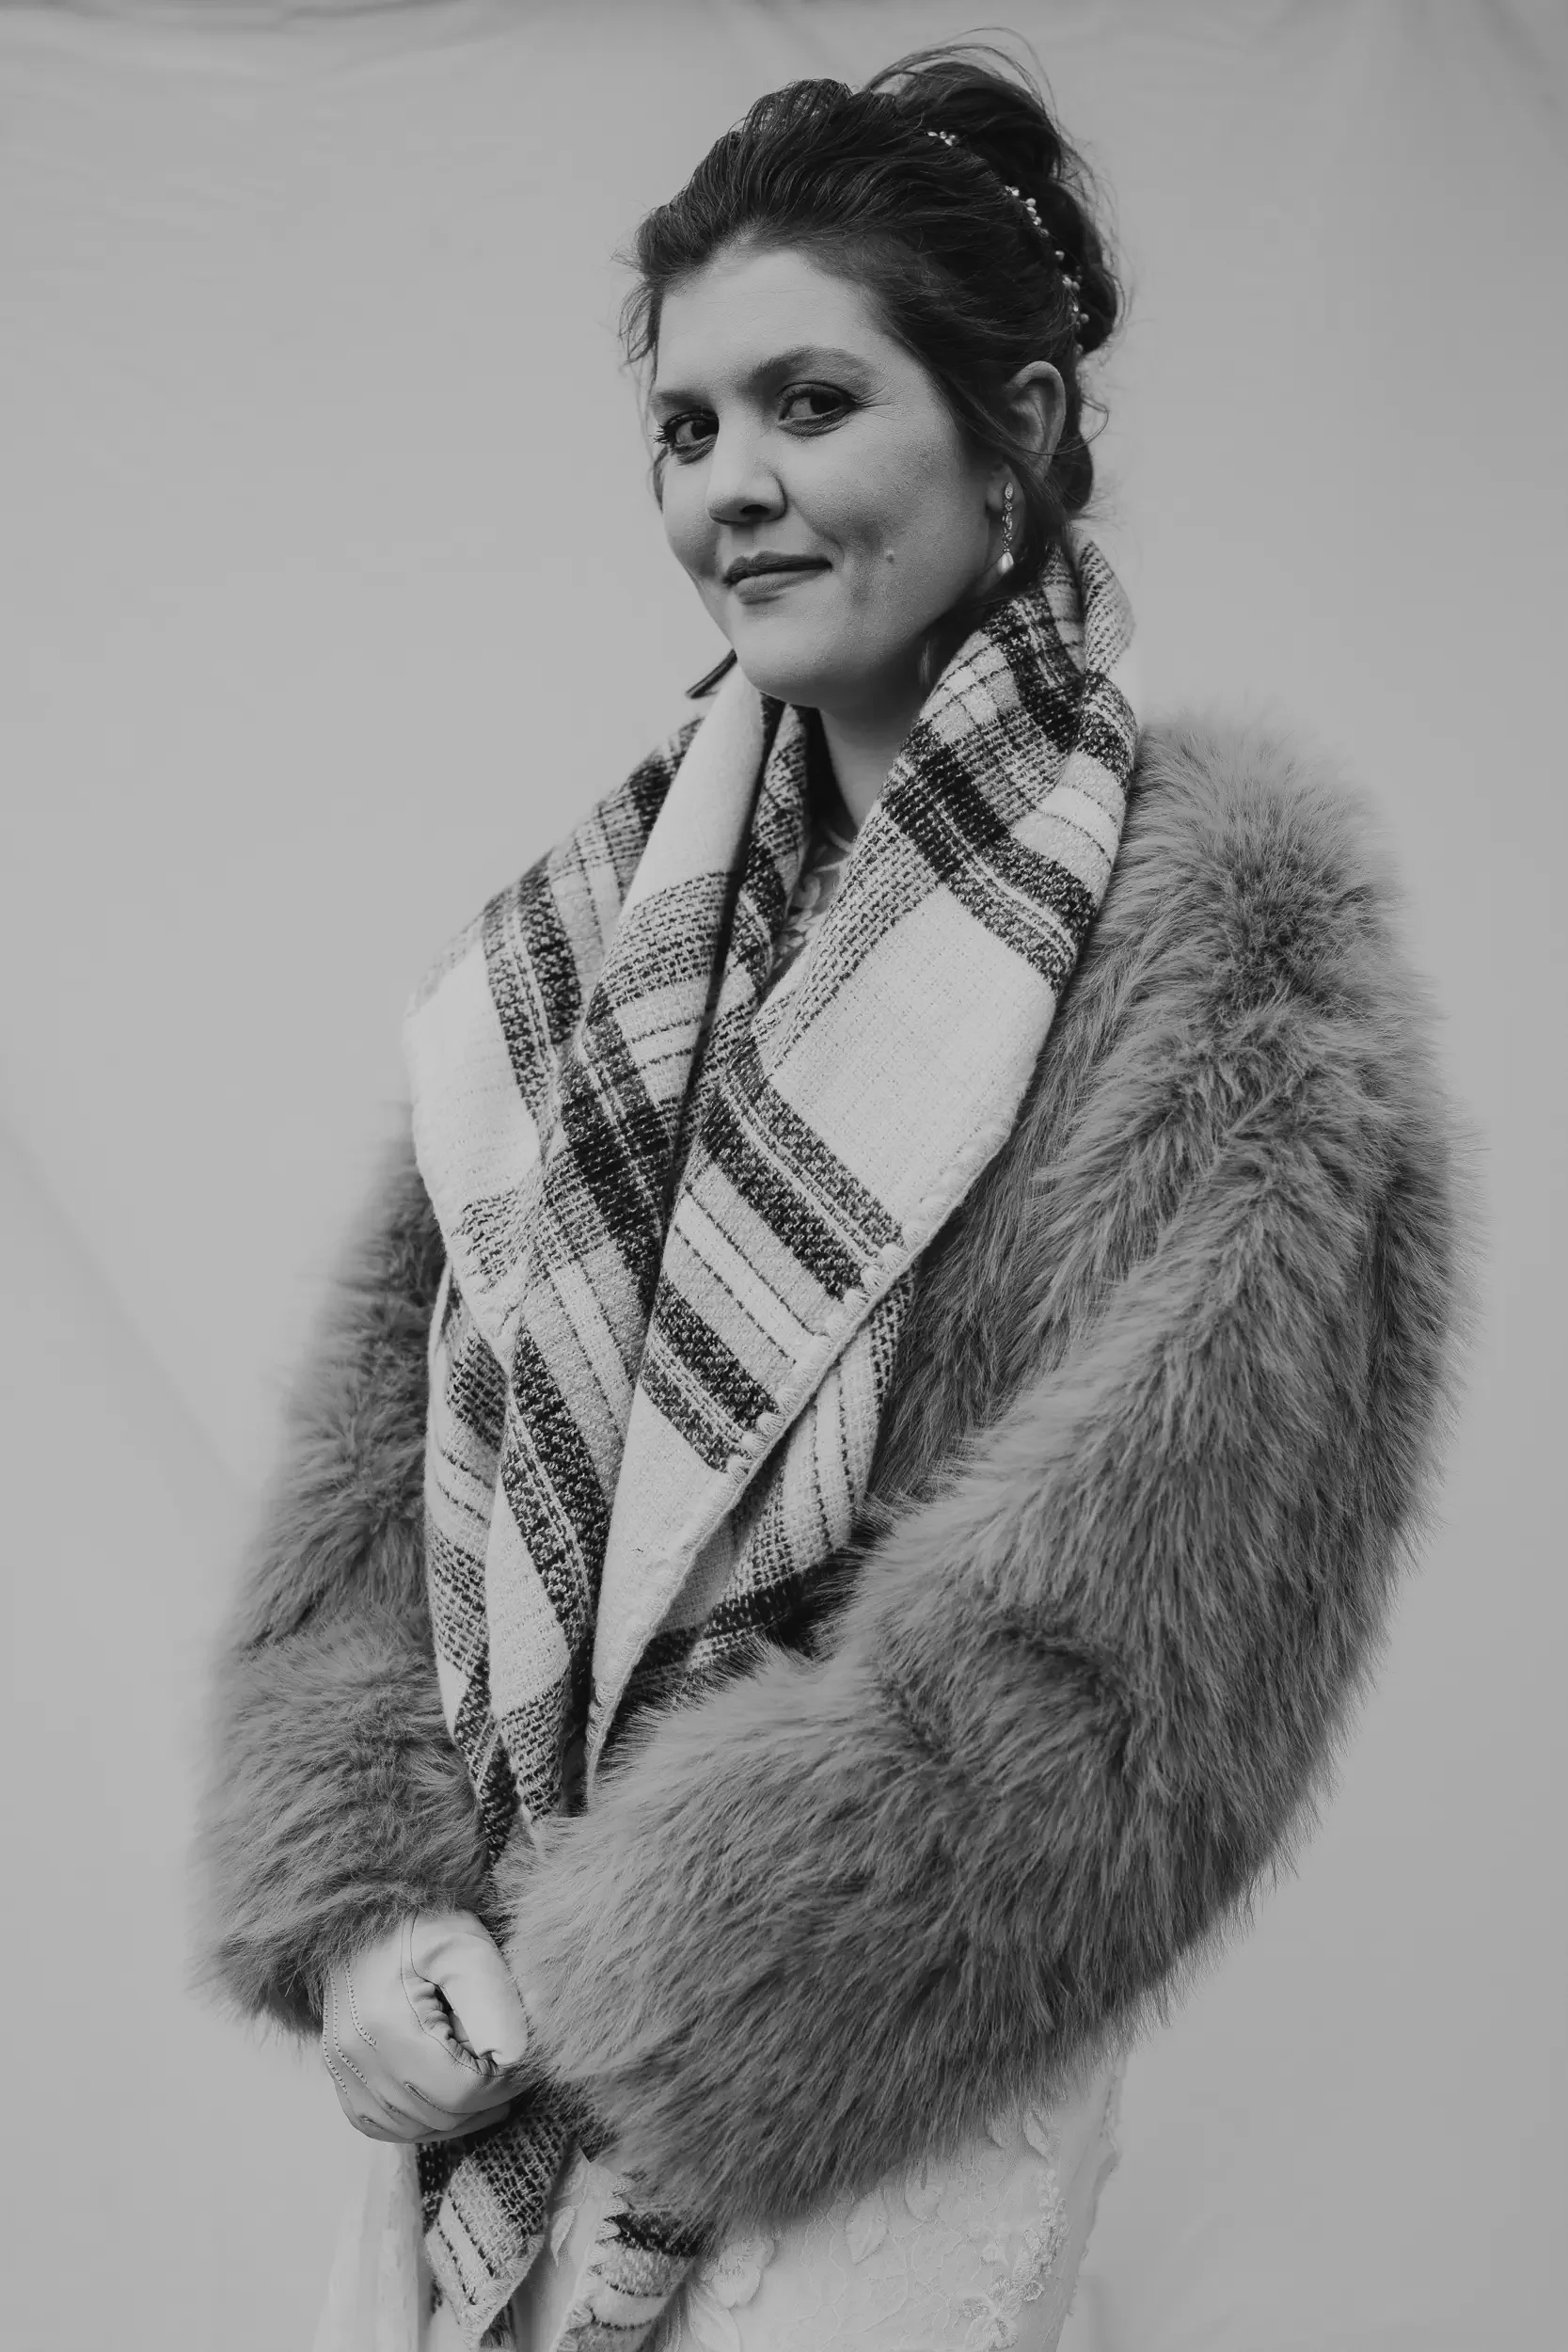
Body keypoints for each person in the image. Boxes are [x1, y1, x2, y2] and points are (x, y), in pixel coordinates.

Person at [197, 44, 1470, 2352]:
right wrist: (367, 1906)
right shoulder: (577, 949)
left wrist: (641, 1959)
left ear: (1014, 431)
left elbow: (1135, 1666)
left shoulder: (1223, 952)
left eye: (808, 400)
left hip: (877, 2102)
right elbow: (368, 1496)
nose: (732, 486)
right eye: (684, 427)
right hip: (475, 2066)